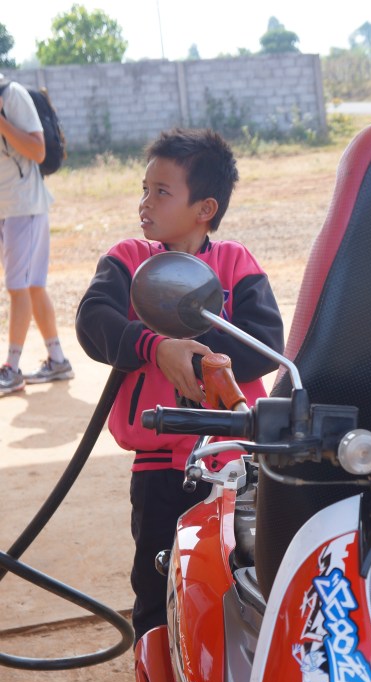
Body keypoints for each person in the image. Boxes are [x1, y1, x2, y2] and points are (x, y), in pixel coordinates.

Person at [76, 127, 284, 646]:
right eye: (144, 189)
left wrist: (192, 334)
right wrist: (153, 345)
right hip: (158, 469)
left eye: (161, 192)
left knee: (240, 581)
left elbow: (265, 342)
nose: (145, 203)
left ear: (205, 207)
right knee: (155, 588)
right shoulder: (128, 258)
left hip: (233, 466)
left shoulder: (236, 264)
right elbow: (93, 321)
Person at [0, 73, 73, 396]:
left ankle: (11, 369)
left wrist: (1, 121)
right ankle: (57, 360)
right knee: (31, 286)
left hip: (23, 206)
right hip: (8, 207)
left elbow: (38, 150)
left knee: (19, 288)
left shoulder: (12, 95)